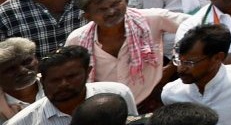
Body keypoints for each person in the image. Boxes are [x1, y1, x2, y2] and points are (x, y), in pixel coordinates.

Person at [63, 0, 185, 110]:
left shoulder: (152, 19)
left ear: (126, 1)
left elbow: (195, 26)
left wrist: (173, 66)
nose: (111, 12)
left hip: (152, 100)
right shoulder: (77, 39)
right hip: (107, 109)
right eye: (101, 9)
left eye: (115, 4)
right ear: (88, 16)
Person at [1, 47, 135, 125]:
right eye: (55, 80)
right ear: (42, 81)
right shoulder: (23, 122)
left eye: (71, 77)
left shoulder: (118, 94)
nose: (63, 84)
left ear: (88, 72)